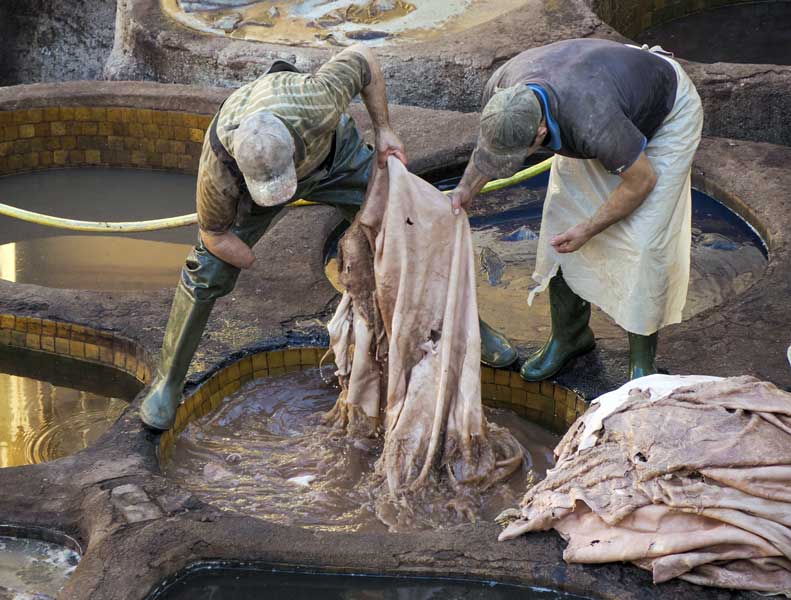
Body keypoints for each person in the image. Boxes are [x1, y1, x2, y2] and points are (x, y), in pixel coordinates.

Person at [139, 45, 516, 430]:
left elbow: (363, 59)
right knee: (206, 270)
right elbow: (215, 234)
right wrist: (246, 259)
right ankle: (168, 383)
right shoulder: (218, 167)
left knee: (407, 228)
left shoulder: (313, 101)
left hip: (335, 159)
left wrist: (384, 127)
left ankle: (470, 331)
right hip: (252, 195)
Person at [449, 38, 704, 382]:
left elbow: (641, 181)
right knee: (560, 225)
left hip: (665, 115)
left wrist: (589, 228)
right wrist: (463, 193)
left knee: (643, 245)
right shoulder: (503, 94)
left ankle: (642, 364)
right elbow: (492, 145)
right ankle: (570, 338)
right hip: (605, 99)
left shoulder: (592, 122)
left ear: (540, 132)